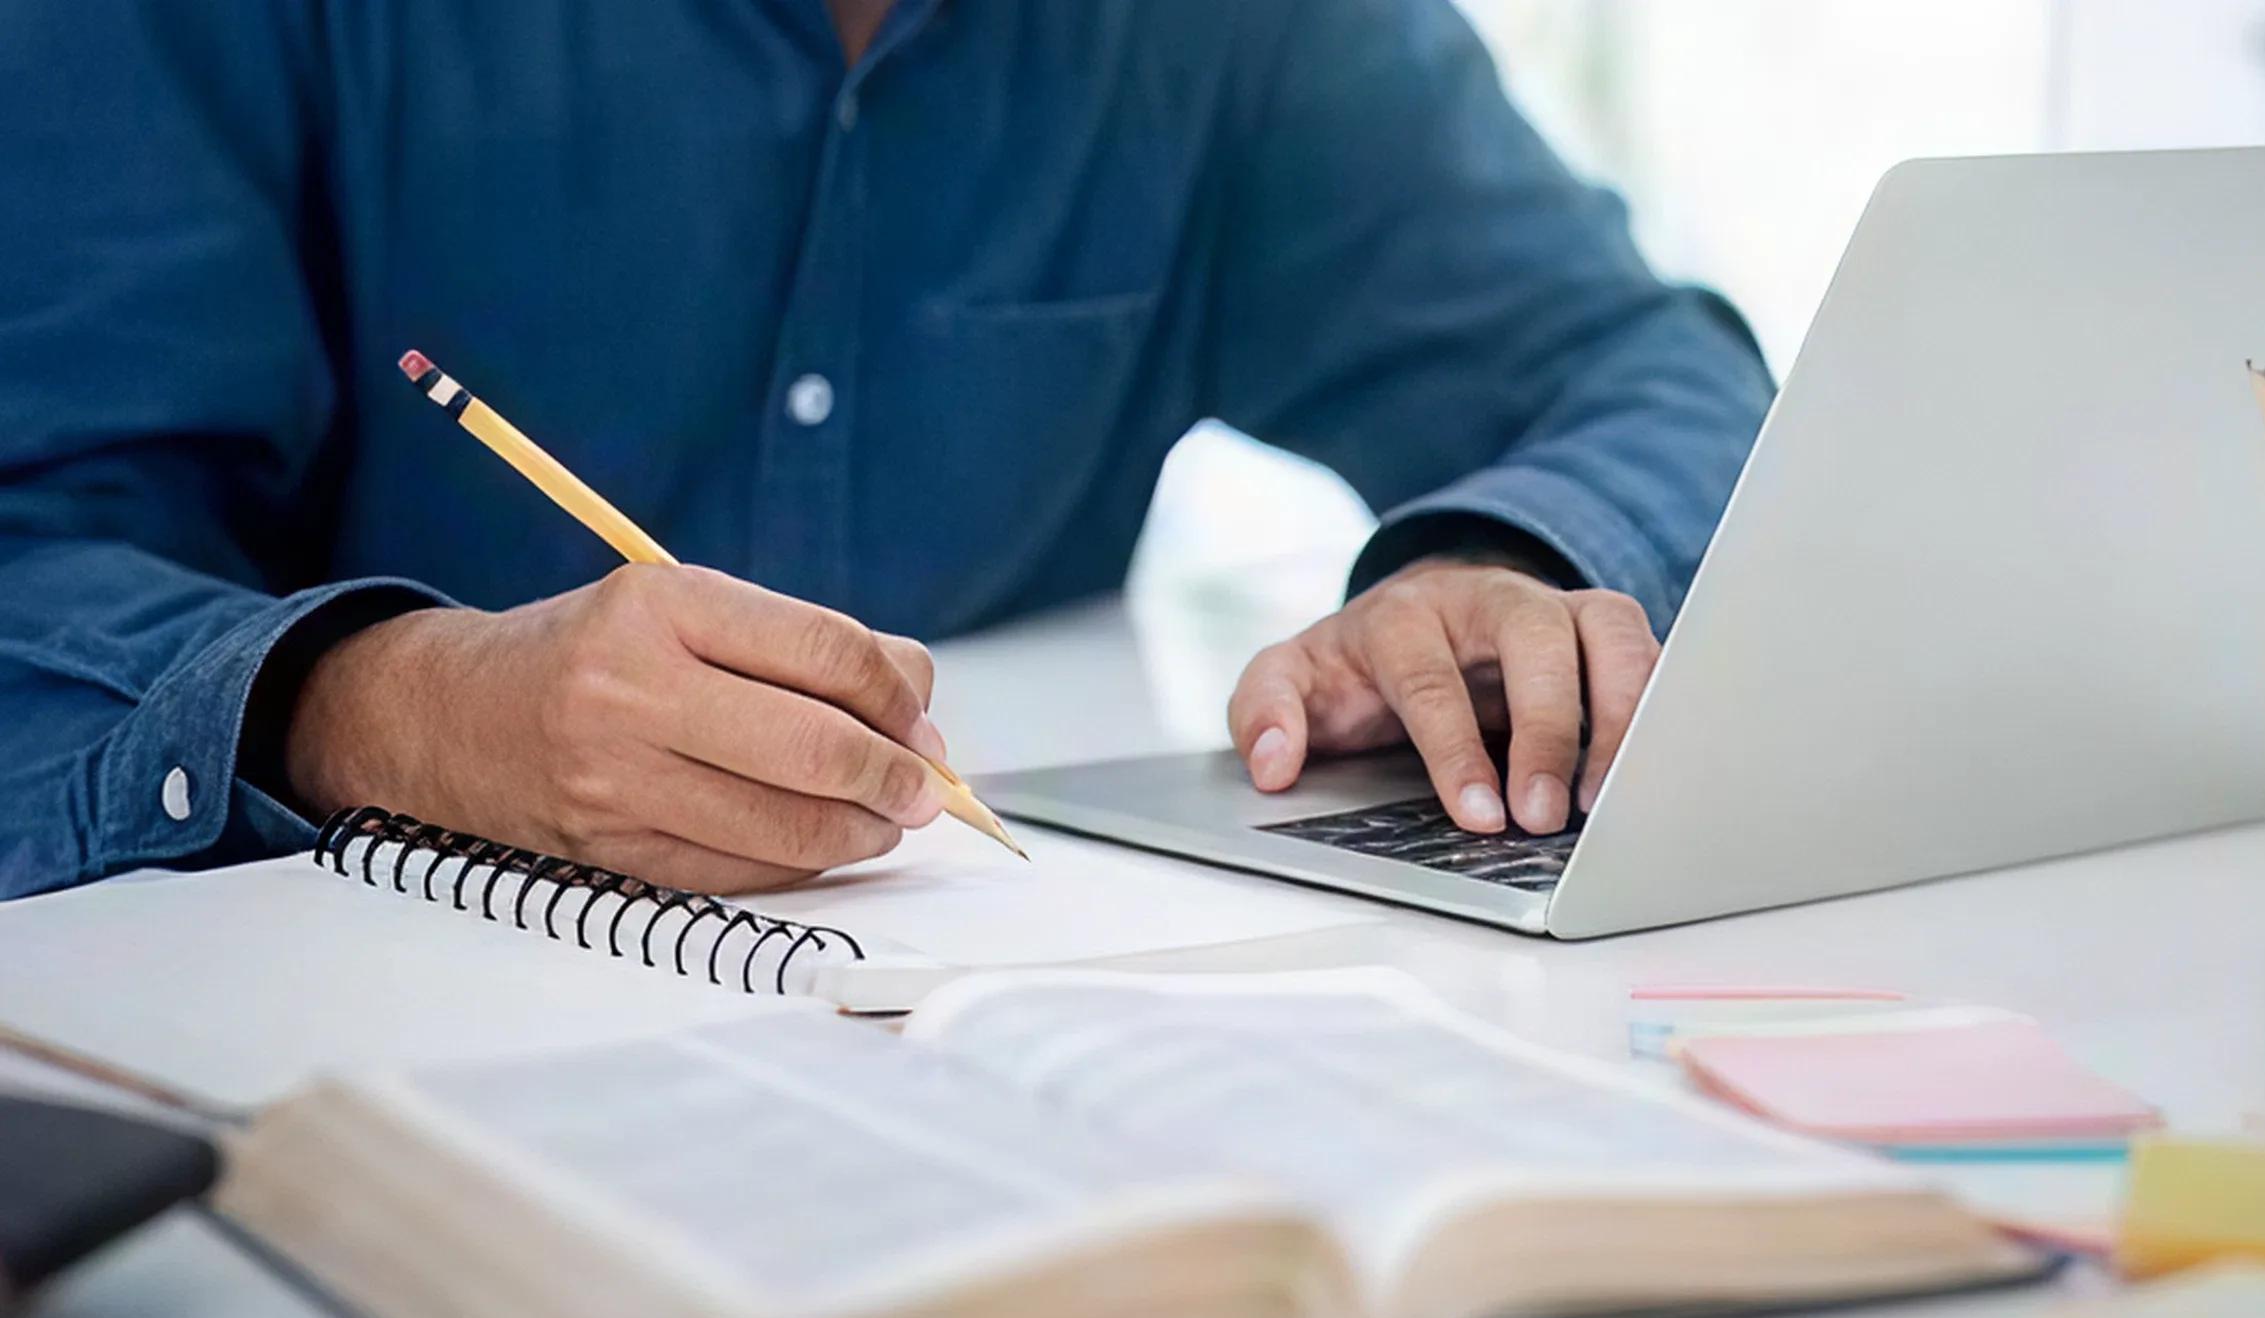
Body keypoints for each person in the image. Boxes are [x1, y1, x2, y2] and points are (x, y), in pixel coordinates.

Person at [0, 0, 1771, 900]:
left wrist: (1509, 562)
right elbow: (33, 545)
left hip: (993, 1011)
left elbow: (1644, 371)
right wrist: (399, 712)